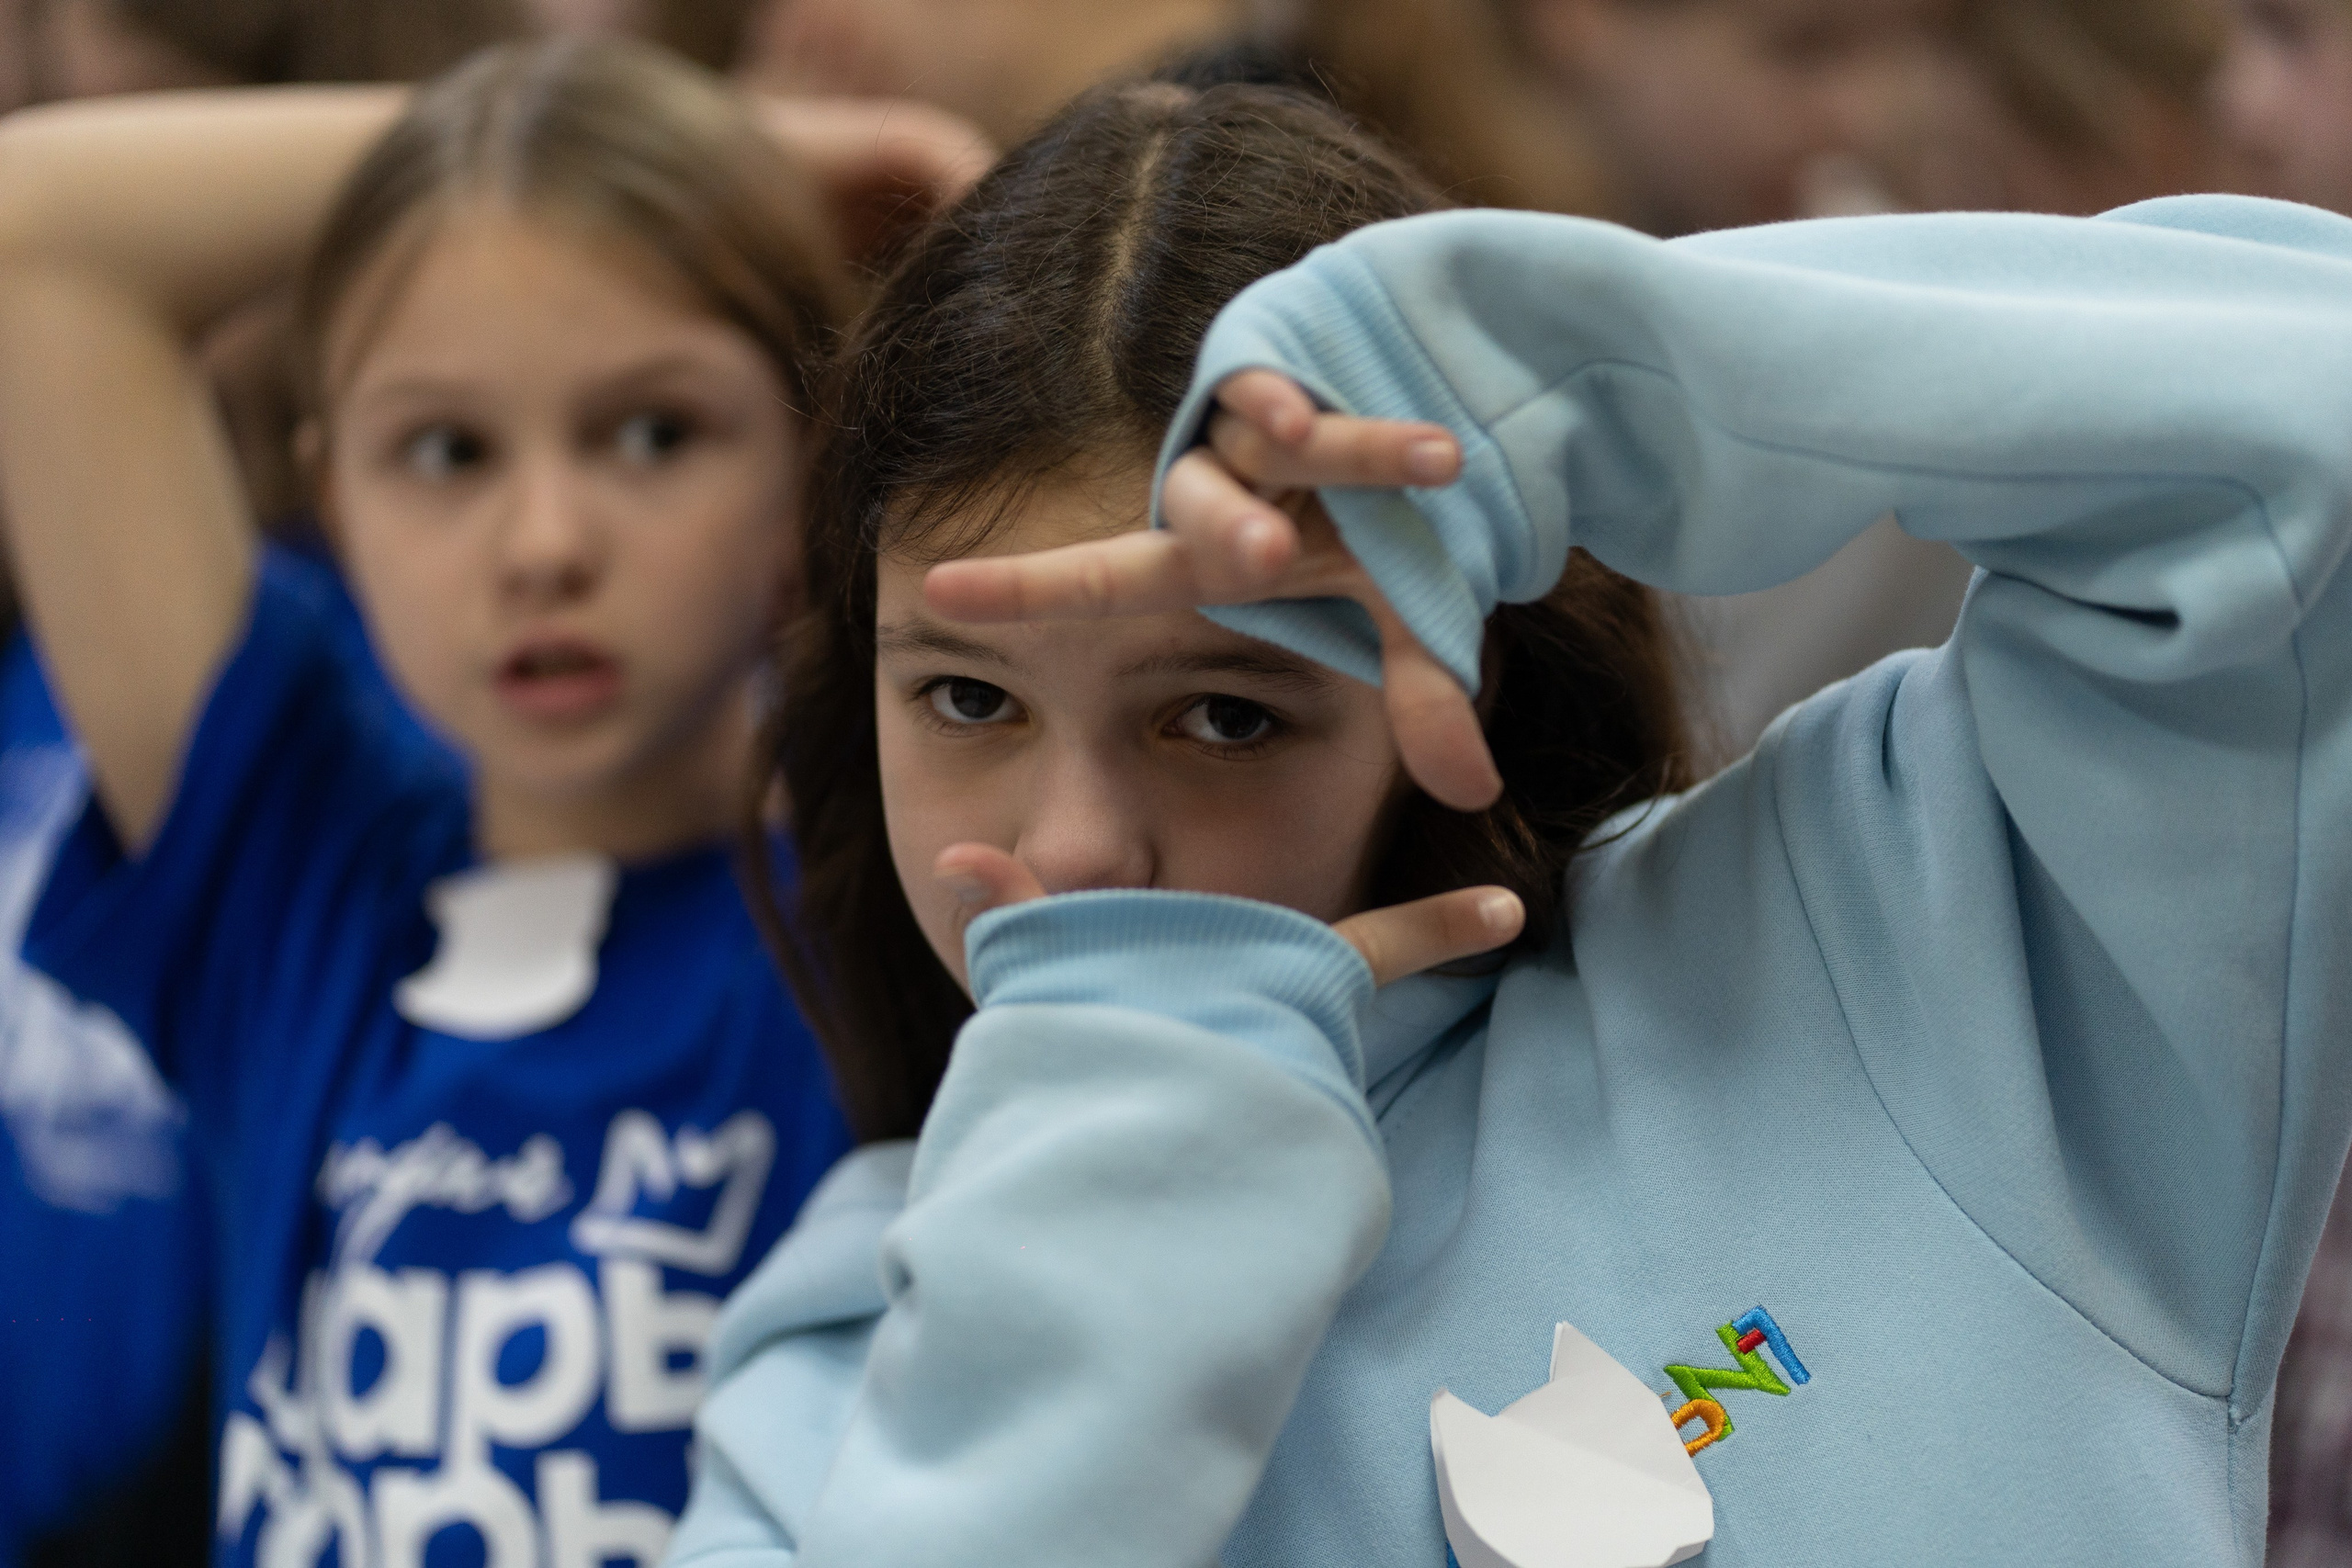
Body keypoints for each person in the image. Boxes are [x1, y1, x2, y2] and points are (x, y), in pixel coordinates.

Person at [672, 79, 2352, 1567]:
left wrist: (1575, 385)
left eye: (1228, 714)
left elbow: (2312, 442)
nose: (1079, 850)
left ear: (1461, 680)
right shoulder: (835, 1372)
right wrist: (1116, 1215)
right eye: (968, 701)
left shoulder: (1894, 949)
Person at [0, 38, 892, 1566]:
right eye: (445, 450)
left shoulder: (894, 916)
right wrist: (723, 144)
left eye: (653, 432)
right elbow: (38, 236)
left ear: (812, 471)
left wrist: (682, 167)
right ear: (332, 496)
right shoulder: (290, 877)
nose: (542, 543)